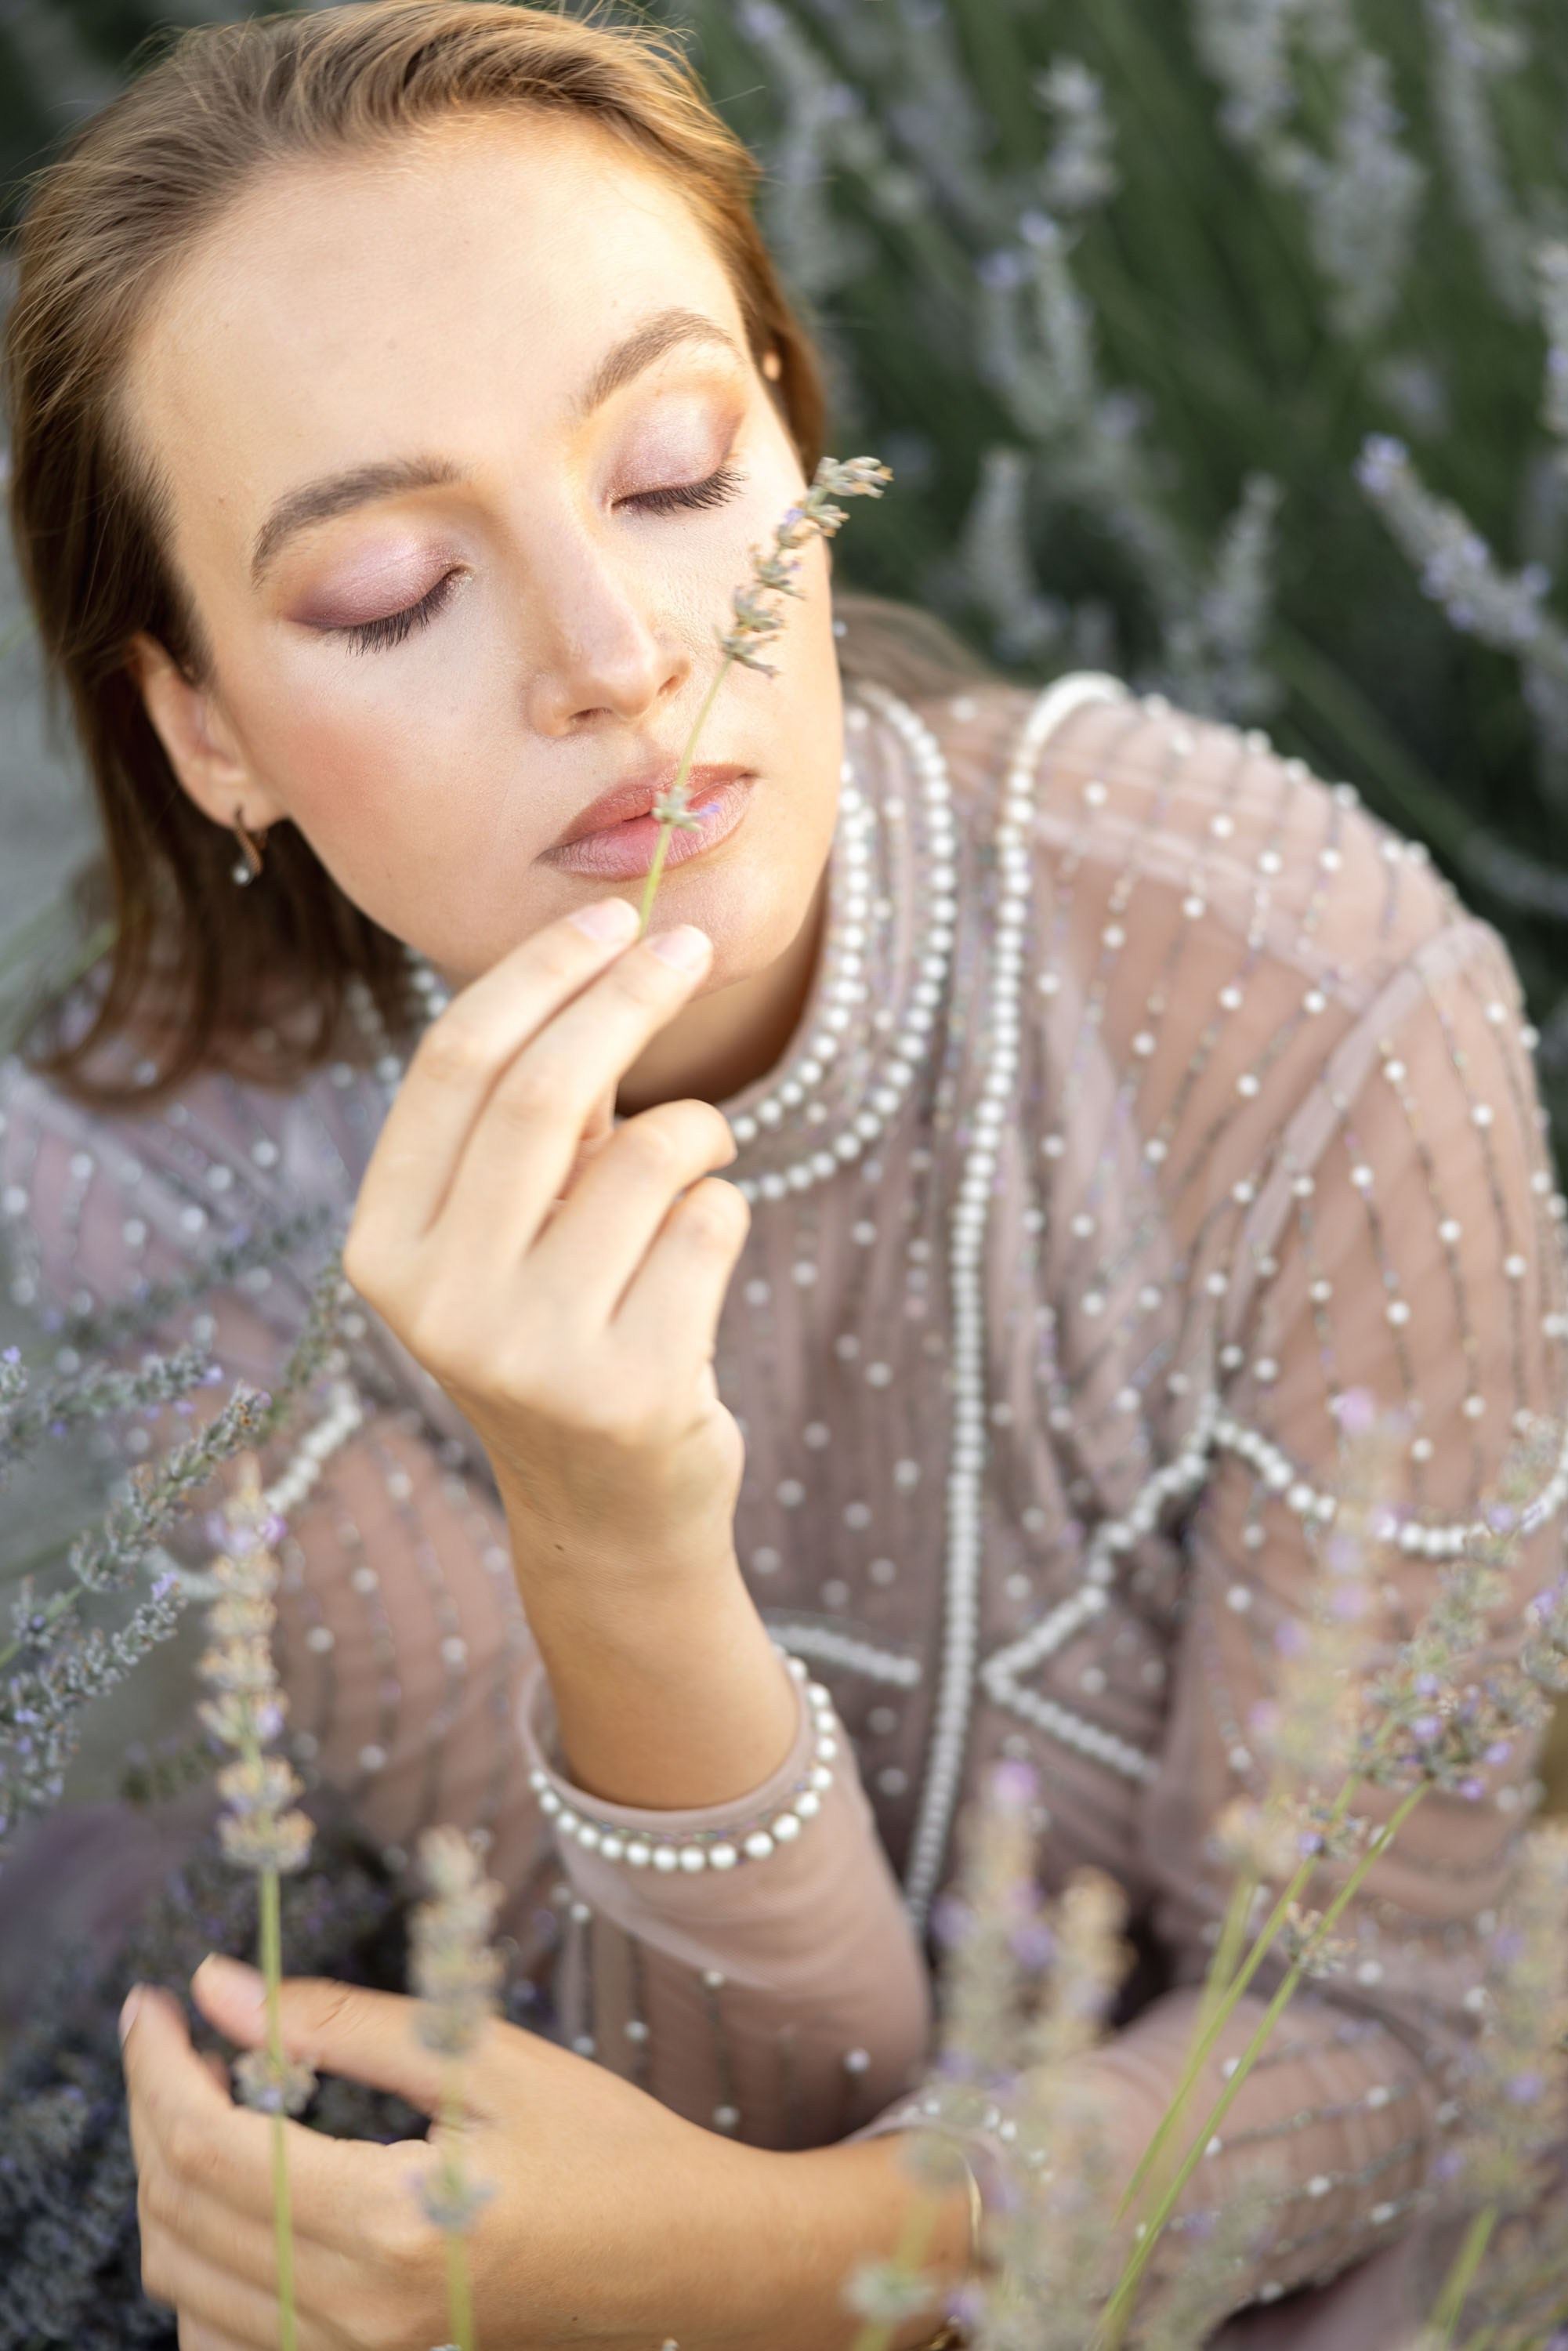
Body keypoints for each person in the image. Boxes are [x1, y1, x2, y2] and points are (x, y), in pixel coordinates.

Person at [2, 5, 1563, 2345]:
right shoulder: (165, 1209)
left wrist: (763, 2255)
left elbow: (1386, 2033)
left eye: (667, 469)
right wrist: (613, 1541)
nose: (618, 657)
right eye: (392, 591)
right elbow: (686, 2107)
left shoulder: (1293, 980)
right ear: (204, 724)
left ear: (797, 456)